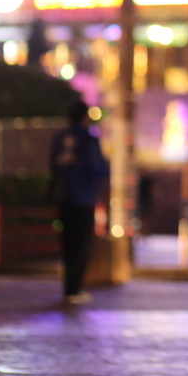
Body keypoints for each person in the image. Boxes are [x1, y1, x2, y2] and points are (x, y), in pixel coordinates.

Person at [49, 98, 110, 305]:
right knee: (82, 244)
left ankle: (68, 288)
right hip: (84, 198)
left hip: (64, 197)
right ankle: (74, 289)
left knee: (67, 243)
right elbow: (98, 168)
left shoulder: (60, 137)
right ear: (85, 117)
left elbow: (54, 166)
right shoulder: (88, 138)